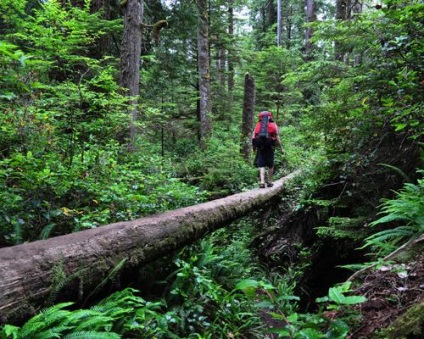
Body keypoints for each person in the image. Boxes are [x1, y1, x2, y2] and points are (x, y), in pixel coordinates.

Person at [252, 111, 284, 188]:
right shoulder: (273, 125)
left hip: (260, 147)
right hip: (270, 147)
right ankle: (269, 181)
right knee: (270, 165)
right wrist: (281, 148)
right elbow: (277, 137)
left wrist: (254, 148)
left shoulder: (258, 125)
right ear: (270, 117)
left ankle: (262, 182)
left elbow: (253, 137)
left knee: (261, 165)